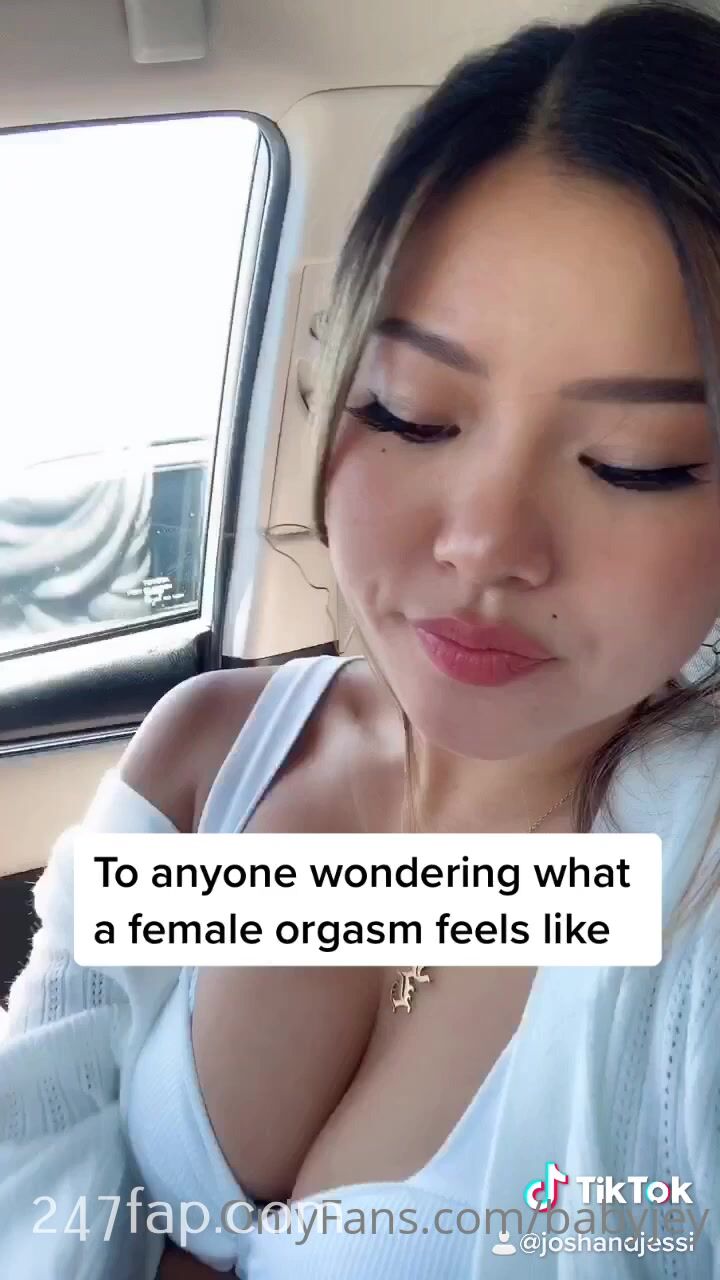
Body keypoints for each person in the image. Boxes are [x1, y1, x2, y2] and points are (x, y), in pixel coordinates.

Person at [3, 1, 720, 1276]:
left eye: (636, 461)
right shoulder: (210, 754)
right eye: (411, 412)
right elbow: (32, 1143)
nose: (484, 542)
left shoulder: (693, 901)